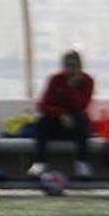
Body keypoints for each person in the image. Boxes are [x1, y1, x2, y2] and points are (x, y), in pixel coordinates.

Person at [29, 49, 95, 179]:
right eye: (67, 65)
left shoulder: (87, 81)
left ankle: (81, 163)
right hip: (57, 122)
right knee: (41, 122)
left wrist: (71, 88)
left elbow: (82, 106)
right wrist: (60, 114)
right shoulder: (56, 79)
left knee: (83, 120)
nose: (69, 69)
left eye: (73, 65)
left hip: (75, 124)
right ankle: (40, 162)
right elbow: (43, 105)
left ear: (80, 66)